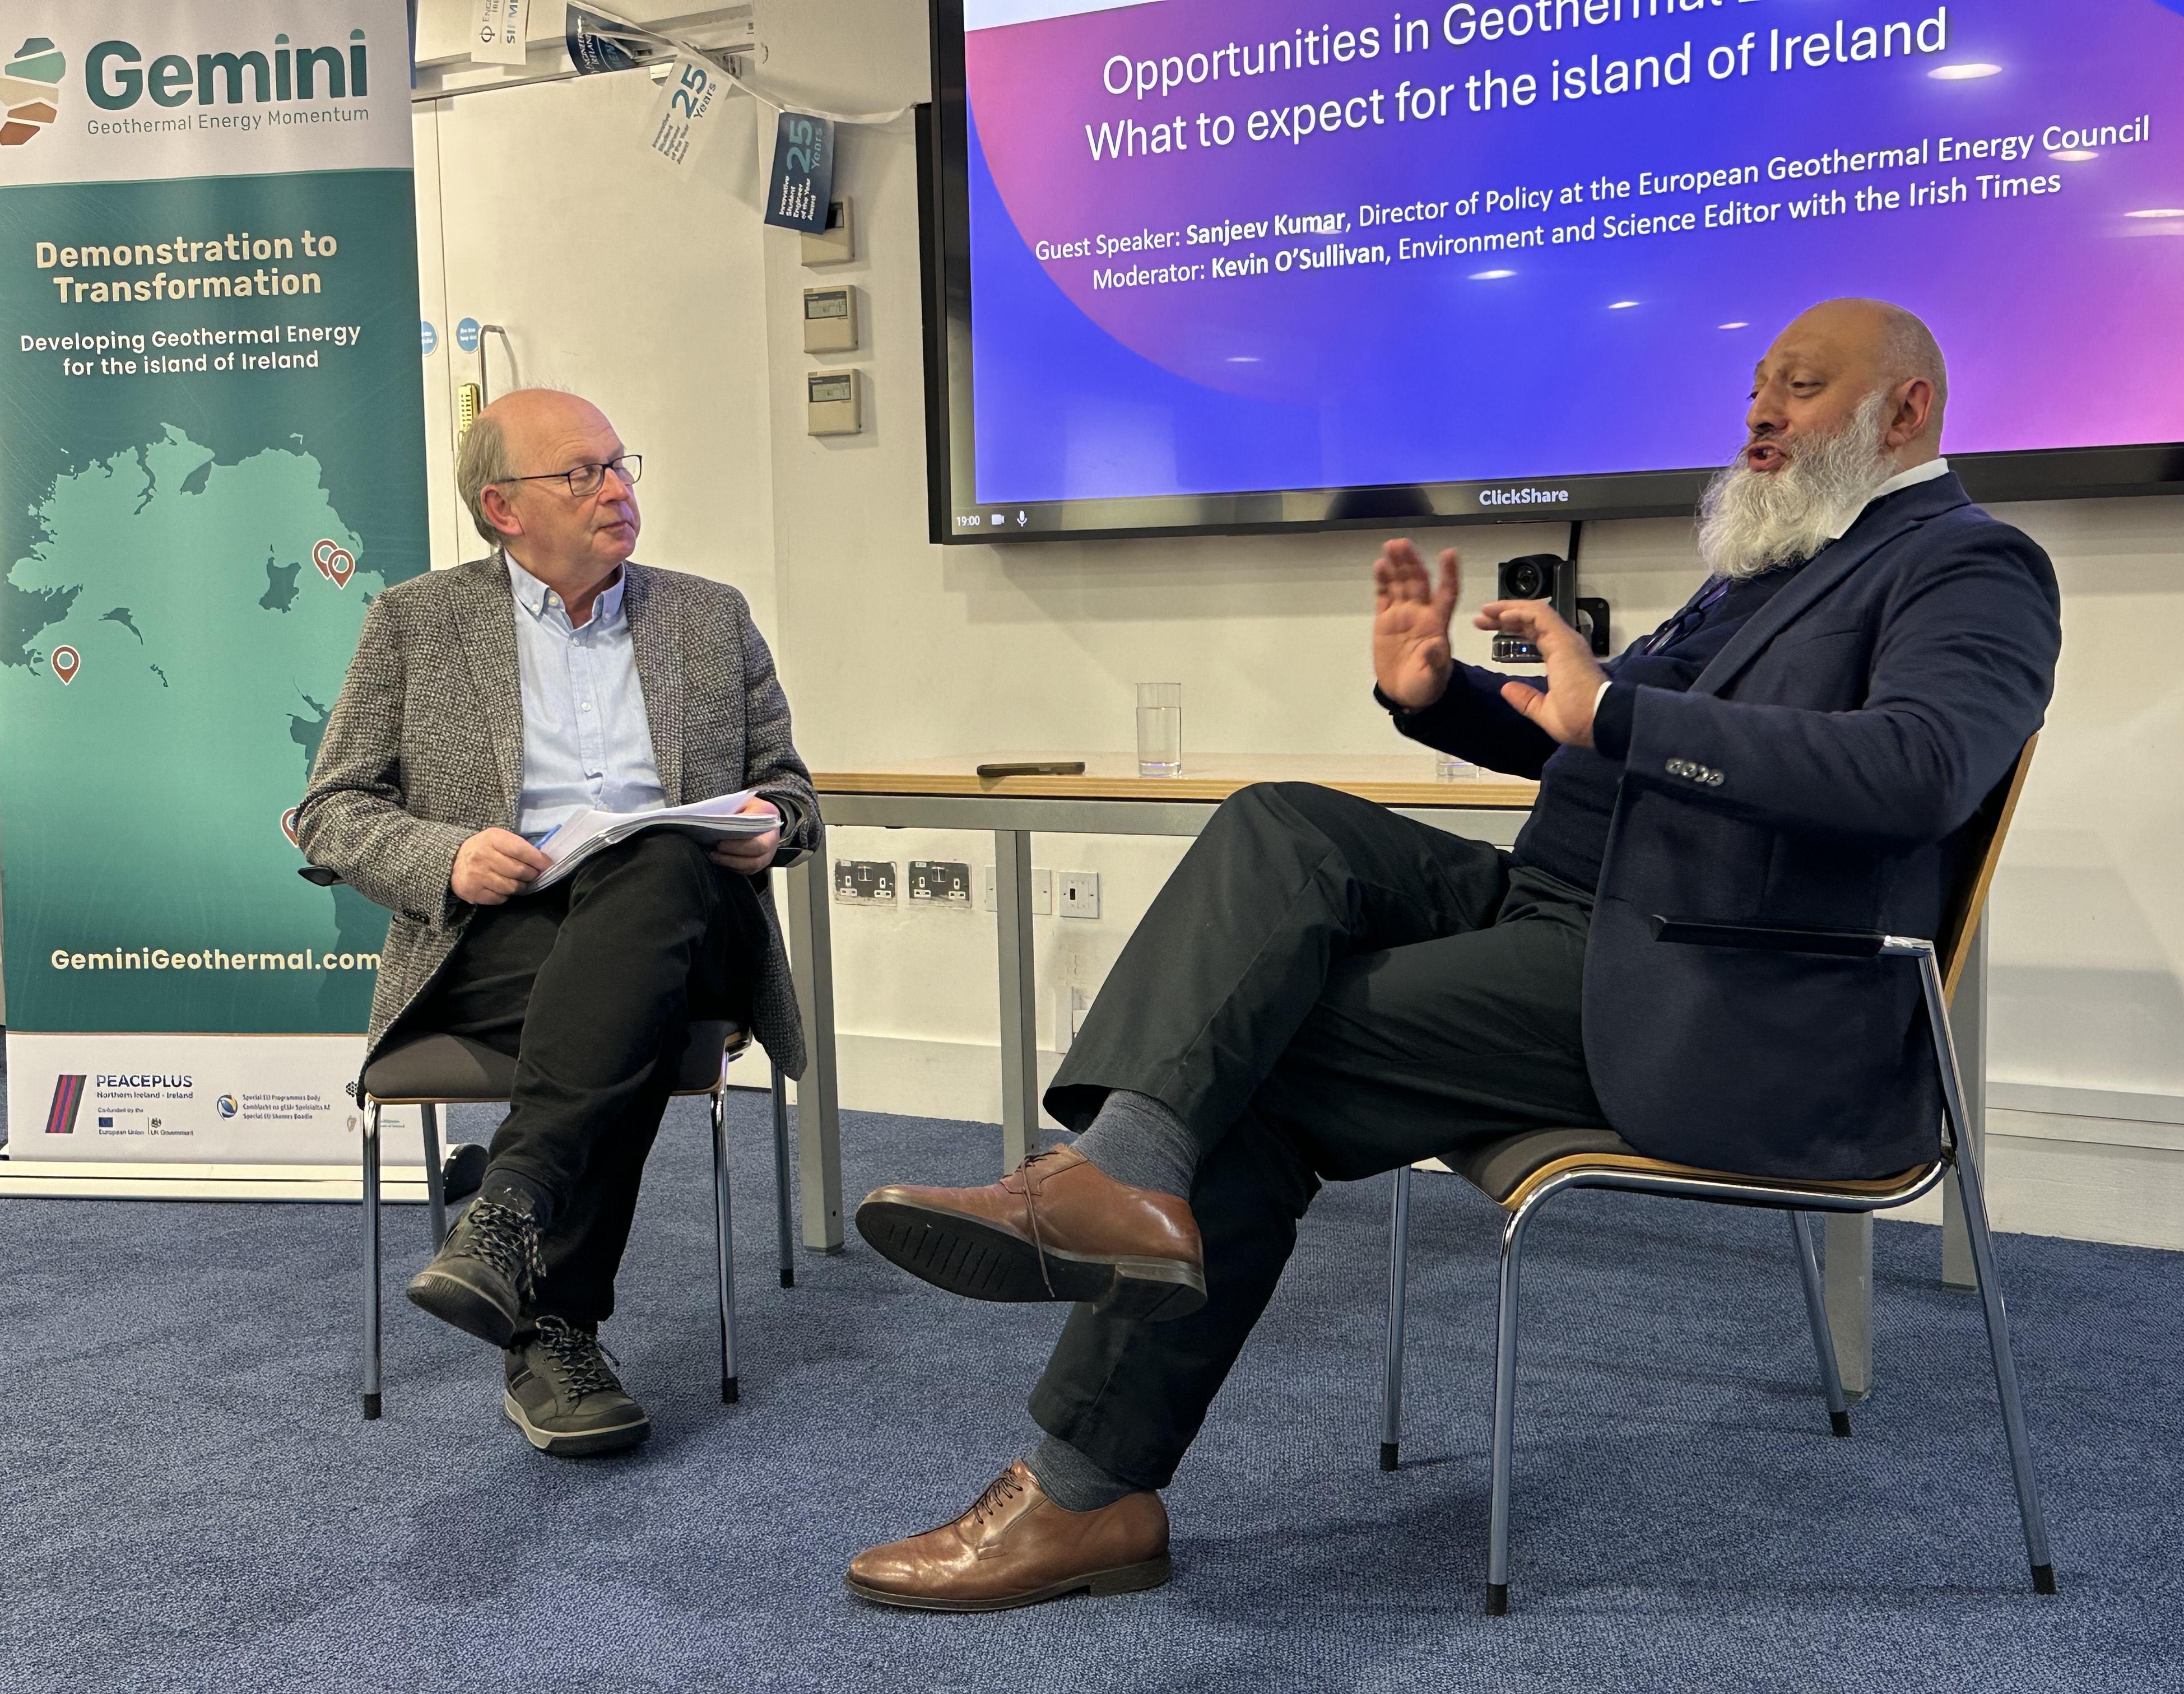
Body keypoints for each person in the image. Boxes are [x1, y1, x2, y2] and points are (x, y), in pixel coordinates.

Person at [843, 299, 2062, 1609]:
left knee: (1257, 1058)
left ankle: (1084, 1477)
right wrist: (1444, 700)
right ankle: (1119, 1195)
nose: (1760, 412)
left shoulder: (1969, 565)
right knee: (1280, 825)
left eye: (1801, 388)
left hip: (1708, 983)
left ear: (1906, 411)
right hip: (1572, 914)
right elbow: (1588, 735)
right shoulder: (1773, 566)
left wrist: (1630, 715)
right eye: (1758, 385)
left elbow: (1919, 770)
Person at [295, 389, 820, 1458]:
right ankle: (556, 1331)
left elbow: (793, 789)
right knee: (616, 1007)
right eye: (579, 474)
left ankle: (510, 1202)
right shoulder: (416, 622)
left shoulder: (706, 614)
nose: (615, 489)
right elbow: (329, 812)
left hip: (692, 915)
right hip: (503, 937)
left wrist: (775, 824)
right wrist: (447, 855)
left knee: (654, 858)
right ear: (502, 507)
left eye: (620, 465)